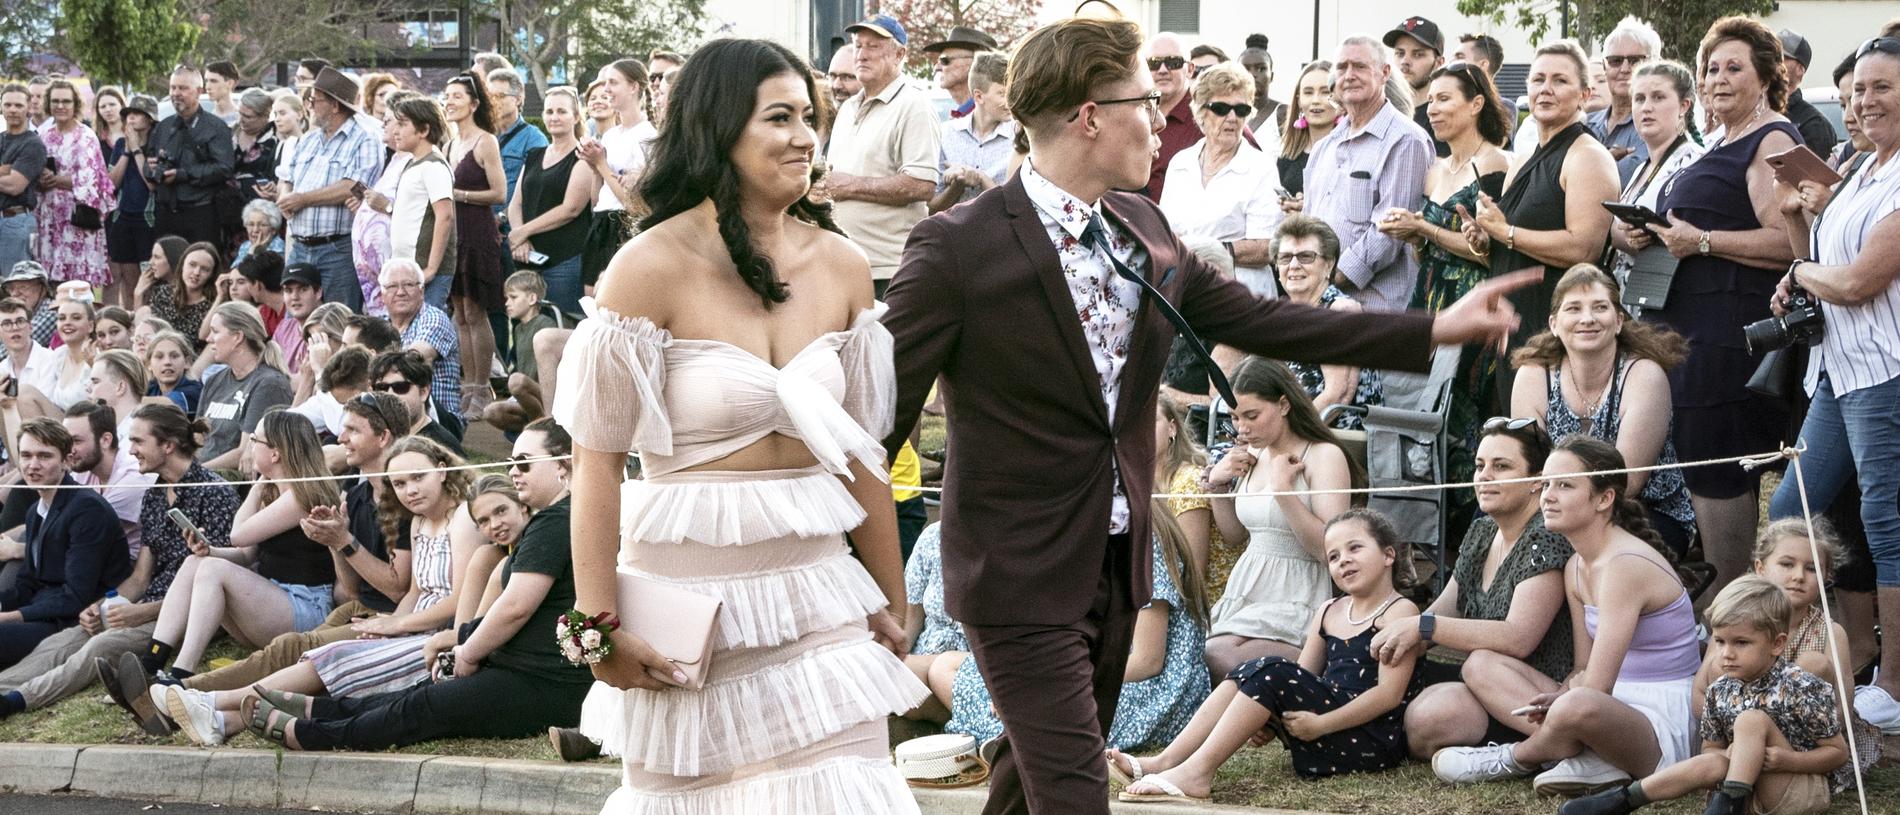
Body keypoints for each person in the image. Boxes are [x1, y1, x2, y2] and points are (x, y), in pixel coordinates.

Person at [880, 15, 1529, 812]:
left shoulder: (1145, 229)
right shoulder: (956, 248)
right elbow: (881, 416)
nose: (1163, 119)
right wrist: (856, 572)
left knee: (1030, 781)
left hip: (1117, 567)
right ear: (1091, 113)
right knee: (1077, 793)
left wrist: (1431, 328)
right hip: (1015, 572)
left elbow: (1272, 324)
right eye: (1147, 102)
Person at [553, 38, 926, 812]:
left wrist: (891, 600)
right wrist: (596, 630)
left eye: (810, 118)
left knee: (850, 791)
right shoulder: (647, 266)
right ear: (719, 127)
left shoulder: (844, 263)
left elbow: (864, 457)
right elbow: (596, 466)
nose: (804, 136)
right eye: (779, 117)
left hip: (822, 595)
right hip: (689, 607)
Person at [230, 421, 587, 752]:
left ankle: (310, 734)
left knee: (425, 704)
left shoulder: (556, 521)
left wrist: (467, 650)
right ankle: (319, 708)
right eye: (511, 462)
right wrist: (460, 640)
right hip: (518, 668)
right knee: (419, 692)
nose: (513, 471)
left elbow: (515, 608)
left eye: (524, 463)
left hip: (544, 684)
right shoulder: (551, 519)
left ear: (563, 464)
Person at [156, 438, 485, 746]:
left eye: (418, 477)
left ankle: (210, 700)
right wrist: (389, 626)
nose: (409, 490)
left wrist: (397, 626)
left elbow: (459, 600)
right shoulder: (418, 522)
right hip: (413, 624)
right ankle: (221, 722)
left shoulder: (464, 519)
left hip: (441, 635)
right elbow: (415, 591)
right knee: (325, 655)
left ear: (442, 471)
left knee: (332, 657)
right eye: (399, 484)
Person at [1432, 437, 1699, 796]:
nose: (1547, 496)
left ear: (1604, 499)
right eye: (1546, 485)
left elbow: (1598, 686)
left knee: (1578, 703)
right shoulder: (1575, 566)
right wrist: (1559, 692)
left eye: (1565, 485)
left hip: (1658, 720)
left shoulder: (1624, 567)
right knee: (1480, 664)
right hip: (1603, 703)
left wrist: (1564, 700)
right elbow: (1582, 668)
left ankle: (1518, 757)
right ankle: (1589, 760)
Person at [1766, 34, 1900, 733]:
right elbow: (1821, 270)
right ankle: (1845, 651)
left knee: (1887, 523)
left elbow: (1854, 282)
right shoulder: (1864, 167)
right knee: (1797, 509)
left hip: (1888, 374)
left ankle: (1896, 688)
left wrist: (1802, 275)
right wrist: (1797, 230)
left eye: (1880, 87)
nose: (1863, 100)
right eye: (1856, 90)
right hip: (1837, 375)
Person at [1113, 510, 1420, 801]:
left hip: (1368, 741)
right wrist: (1271, 721)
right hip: (1322, 728)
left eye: (1355, 548)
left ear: (1388, 555)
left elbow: (1389, 695)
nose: (1344, 561)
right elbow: (1303, 677)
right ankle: (1165, 760)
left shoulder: (1400, 612)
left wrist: (1321, 725)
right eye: (1334, 556)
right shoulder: (1328, 610)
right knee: (1255, 668)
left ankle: (1197, 772)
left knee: (1272, 668)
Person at [1647, 17, 1801, 589]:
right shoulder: (1719, 140)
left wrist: (1703, 241)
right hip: (1686, 329)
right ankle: (1722, 596)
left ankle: (1733, 598)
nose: (1717, 78)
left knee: (1718, 465)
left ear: (1767, 77)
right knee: (1698, 460)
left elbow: (1788, 241)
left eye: (1734, 67)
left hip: (1730, 336)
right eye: (1711, 67)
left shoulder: (1773, 139)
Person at [168, 392, 414, 697]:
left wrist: (344, 542)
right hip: (356, 606)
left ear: (383, 437)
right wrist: (336, 543)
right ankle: (169, 675)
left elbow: (397, 588)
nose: (341, 437)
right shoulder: (356, 496)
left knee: (291, 649)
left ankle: (183, 687)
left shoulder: (405, 501)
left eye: (353, 430)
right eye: (344, 428)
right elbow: (348, 589)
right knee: (286, 648)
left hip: (371, 612)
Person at [914, 508, 1211, 752]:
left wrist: (1049, 684)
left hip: (1146, 694)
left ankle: (1012, 738)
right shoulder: (1088, 530)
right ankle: (1013, 734)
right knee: (948, 666)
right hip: (1098, 675)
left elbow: (1147, 661)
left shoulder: (1142, 540)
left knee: (956, 673)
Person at [1373, 418, 1574, 757]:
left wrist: (1423, 627)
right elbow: (1447, 605)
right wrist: (1394, 638)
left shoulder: (1546, 535)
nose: (1484, 476)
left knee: (1428, 718)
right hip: (1479, 680)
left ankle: (1546, 745)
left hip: (1532, 688)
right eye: (1480, 466)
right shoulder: (1482, 531)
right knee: (1400, 685)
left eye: (1501, 466)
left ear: (1536, 482)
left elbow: (1519, 637)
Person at [1561, 576, 1846, 815]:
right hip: (1748, 789)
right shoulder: (1719, 690)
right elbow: (1710, 748)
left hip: (1794, 788)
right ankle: (1624, 800)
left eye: (1741, 643)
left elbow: (1837, 753)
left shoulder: (1800, 685)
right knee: (1715, 760)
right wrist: (1733, 755)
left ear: (1777, 644)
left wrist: (1785, 760)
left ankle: (1730, 801)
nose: (1726, 654)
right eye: (1720, 641)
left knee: (1751, 721)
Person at [1376, 61, 1511, 486]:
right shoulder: (1434, 169)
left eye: (1444, 99)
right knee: (1421, 410)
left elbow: (1488, 251)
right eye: (1430, 100)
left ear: (1476, 104)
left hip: (1472, 299)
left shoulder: (1497, 164)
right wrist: (1414, 237)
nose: (1432, 108)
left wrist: (1424, 228)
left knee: (1463, 412)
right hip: (1429, 294)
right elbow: (1426, 252)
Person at [134, 408, 337, 686]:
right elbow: (245, 554)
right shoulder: (274, 490)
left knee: (213, 570)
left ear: (275, 453)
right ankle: (152, 661)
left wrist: (258, 483)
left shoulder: (301, 496)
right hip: (275, 601)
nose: (250, 446)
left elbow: (238, 535)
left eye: (255, 440)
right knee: (196, 562)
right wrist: (209, 551)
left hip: (306, 608)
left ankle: (181, 674)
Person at [1466, 41, 1621, 402]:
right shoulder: (1521, 160)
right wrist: (1484, 238)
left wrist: (1505, 232)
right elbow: (1511, 244)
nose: (1545, 89)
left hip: (1556, 326)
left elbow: (1584, 247)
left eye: (1559, 80)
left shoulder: (1588, 157)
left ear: (1584, 94)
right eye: (1537, 80)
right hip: (1513, 324)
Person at [1511, 265, 1697, 556]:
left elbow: (1627, 482)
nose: (1587, 319)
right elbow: (1527, 470)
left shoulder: (1643, 375)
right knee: (1493, 527)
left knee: (1559, 547)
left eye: (1600, 307)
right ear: (1554, 324)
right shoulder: (1534, 376)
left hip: (1641, 514)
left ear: (1619, 320)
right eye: (1573, 308)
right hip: (1550, 507)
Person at [1203, 357, 1359, 677]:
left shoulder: (1323, 455)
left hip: (1299, 596)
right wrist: (1217, 487)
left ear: (1284, 405)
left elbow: (1328, 550)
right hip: (1248, 588)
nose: (1242, 428)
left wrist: (1283, 490)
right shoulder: (1253, 454)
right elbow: (1235, 536)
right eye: (1234, 418)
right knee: (1199, 655)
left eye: (1252, 415)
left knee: (1216, 655)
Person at [1303, 36, 1433, 312]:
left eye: (1360, 66)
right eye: (1341, 68)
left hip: (1371, 309)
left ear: (1385, 72)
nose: (1349, 75)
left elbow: (1389, 235)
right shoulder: (1324, 146)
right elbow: (1307, 223)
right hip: (1318, 302)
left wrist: (1327, 280)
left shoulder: (1405, 140)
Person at [0, 419, 131, 669]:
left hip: (71, 623)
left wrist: (8, 618)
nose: (33, 465)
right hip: (41, 611)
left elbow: (76, 597)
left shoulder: (86, 508)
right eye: (26, 455)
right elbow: (27, 584)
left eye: (44, 456)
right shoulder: (35, 511)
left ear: (66, 461)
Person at [829, 15, 940, 294]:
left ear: (900, 54)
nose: (862, 55)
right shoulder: (847, 108)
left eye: (874, 46)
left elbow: (922, 185)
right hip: (843, 262)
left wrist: (850, 185)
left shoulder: (914, 106)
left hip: (890, 269)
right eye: (858, 46)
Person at [1158, 63, 1281, 297]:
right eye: (1221, 108)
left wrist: (1206, 251)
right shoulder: (1180, 163)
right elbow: (1166, 232)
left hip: (1242, 294)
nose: (1232, 117)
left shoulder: (1260, 167)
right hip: (1187, 288)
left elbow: (1266, 247)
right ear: (1201, 112)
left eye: (1242, 109)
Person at [277, 68, 382, 311]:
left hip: (337, 249)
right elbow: (288, 178)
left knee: (339, 319)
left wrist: (302, 199)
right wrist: (285, 196)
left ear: (334, 105)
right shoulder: (308, 140)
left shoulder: (364, 139)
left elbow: (352, 187)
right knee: (295, 323)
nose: (309, 106)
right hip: (300, 246)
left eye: (315, 100)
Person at [1271, 216, 1383, 427]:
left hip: (1335, 437)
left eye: (1306, 256)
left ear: (1329, 265)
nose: (1293, 265)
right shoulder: (1284, 316)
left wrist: (1282, 434)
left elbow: (1338, 397)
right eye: (1285, 258)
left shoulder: (1340, 311)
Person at [1606, 61, 1705, 298]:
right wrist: (1630, 235)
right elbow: (1613, 230)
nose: (1646, 107)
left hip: (1673, 294)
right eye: (1639, 99)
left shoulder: (1694, 162)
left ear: (1684, 106)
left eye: (1658, 98)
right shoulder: (1642, 167)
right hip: (1630, 296)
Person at [441, 70, 506, 419]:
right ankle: (467, 388)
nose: (449, 102)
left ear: (474, 103)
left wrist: (459, 195)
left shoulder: (486, 142)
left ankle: (482, 388)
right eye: (447, 96)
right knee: (460, 313)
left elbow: (499, 192)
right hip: (454, 235)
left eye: (457, 96)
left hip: (478, 232)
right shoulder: (449, 144)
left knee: (477, 311)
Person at [505, 85, 594, 317]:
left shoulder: (582, 158)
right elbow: (515, 203)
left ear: (576, 117)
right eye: (550, 111)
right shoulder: (535, 155)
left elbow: (571, 208)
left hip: (564, 261)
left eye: (562, 111)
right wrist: (520, 240)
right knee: (526, 328)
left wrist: (523, 231)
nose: (554, 117)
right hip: (527, 257)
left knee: (561, 324)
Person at [576, 59, 656, 296]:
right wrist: (594, 165)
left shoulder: (648, 136)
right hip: (600, 222)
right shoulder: (610, 135)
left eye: (613, 83)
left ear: (634, 87)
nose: (606, 89)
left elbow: (634, 203)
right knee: (590, 296)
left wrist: (601, 164)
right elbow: (599, 197)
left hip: (622, 225)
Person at [33, 80, 113, 290]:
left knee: (77, 287)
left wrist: (55, 180)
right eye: (56, 101)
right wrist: (39, 179)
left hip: (77, 219)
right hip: (49, 219)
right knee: (51, 284)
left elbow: (92, 181)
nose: (60, 106)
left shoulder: (86, 136)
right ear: (48, 104)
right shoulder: (43, 136)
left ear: (76, 104)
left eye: (66, 101)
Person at [196, 302, 293, 468]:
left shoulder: (269, 384)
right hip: (203, 475)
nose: (208, 338)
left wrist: (193, 476)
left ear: (238, 337)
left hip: (232, 481)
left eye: (215, 331)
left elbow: (244, 455)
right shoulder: (214, 380)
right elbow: (197, 439)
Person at [146, 66, 233, 247]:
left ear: (199, 91)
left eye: (183, 88)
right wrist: (151, 168)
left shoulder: (216, 127)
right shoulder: (163, 127)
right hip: (165, 215)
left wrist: (183, 174)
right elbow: (149, 163)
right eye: (173, 88)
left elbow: (224, 168)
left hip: (200, 214)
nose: (176, 93)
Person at [346, 90, 412, 319]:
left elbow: (417, 214)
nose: (383, 121)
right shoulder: (395, 158)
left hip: (397, 272)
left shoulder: (417, 162)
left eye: (390, 118)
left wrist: (385, 207)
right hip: (375, 280)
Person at [377, 259, 460, 432]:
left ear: (421, 291)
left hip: (438, 421)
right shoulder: (380, 325)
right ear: (382, 295)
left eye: (408, 285)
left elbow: (413, 358)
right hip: (395, 412)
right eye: (392, 286)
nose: (400, 292)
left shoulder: (434, 319)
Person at [929, 53, 1016, 213]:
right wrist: (958, 184)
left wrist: (981, 178)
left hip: (999, 236)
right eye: (1003, 94)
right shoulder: (945, 134)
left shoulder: (1020, 138)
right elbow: (932, 208)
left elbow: (1015, 207)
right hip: (954, 236)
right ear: (979, 96)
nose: (1011, 101)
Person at [483, 270, 560, 432]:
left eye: (513, 297)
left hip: (548, 396)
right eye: (506, 298)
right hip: (526, 399)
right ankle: (535, 428)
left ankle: (548, 425)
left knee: (516, 381)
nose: (507, 303)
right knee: (490, 412)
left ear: (532, 298)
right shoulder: (518, 329)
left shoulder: (545, 325)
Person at [1589, 18, 1663, 185]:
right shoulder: (1585, 125)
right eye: (1615, 60)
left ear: (1656, 64)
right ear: (1604, 66)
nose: (1624, 69)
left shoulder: (1660, 127)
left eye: (1635, 61)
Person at [104, 94, 160, 312]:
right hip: (122, 216)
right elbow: (112, 183)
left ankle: (146, 317)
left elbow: (152, 184)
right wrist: (127, 150)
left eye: (137, 114)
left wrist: (137, 149)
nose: (131, 119)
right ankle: (129, 318)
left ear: (149, 118)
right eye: (128, 115)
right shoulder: (119, 144)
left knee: (148, 278)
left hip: (149, 218)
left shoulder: (157, 144)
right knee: (128, 279)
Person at [1140, 32, 1199, 202]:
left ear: (1190, 69)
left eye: (1174, 62)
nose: (1163, 70)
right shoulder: (1132, 112)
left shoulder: (1211, 116)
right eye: (1154, 63)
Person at [368, 349, 461, 455]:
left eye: (400, 387)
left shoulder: (442, 447)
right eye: (381, 388)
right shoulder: (374, 437)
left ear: (423, 393)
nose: (390, 395)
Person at [485, 68, 549, 217]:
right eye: (489, 96)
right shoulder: (482, 136)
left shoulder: (534, 139)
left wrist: (502, 218)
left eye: (500, 96)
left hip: (512, 229)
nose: (494, 102)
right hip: (479, 226)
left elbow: (535, 191)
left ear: (518, 99)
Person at [1385, 16, 1449, 157]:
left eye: (1418, 54)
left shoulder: (1443, 115)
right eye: (1399, 53)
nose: (1405, 61)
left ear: (1439, 63)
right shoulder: (1380, 110)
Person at [0, 84, 47, 277]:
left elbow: (14, 186)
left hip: (15, 222)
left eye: (18, 105)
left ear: (28, 108)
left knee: (14, 287)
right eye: (8, 104)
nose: (12, 110)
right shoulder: (1, 139)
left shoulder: (33, 144)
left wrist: (9, 174)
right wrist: (5, 171)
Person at [1276, 60, 1338, 199]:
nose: (1315, 100)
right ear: (1298, 100)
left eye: (1325, 92)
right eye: (1308, 92)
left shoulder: (1349, 153)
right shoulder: (1287, 156)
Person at [143, 240, 217, 350]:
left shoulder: (213, 303)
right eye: (192, 265)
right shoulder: (163, 293)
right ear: (182, 264)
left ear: (211, 275)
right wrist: (138, 294)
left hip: (194, 358)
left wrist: (220, 297)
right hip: (160, 352)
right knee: (143, 311)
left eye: (205, 269)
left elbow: (202, 338)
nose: (196, 272)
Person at [1777, 30, 1840, 159]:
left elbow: (1815, 177)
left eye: (1781, 58)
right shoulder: (1755, 112)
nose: (1772, 62)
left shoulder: (1814, 125)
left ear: (1800, 69)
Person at [923, 25, 998, 118]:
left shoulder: (990, 117)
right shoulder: (965, 114)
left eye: (944, 60)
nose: (936, 67)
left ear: (974, 64)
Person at [40, 298, 96, 411]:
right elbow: (44, 395)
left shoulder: (97, 358)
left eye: (76, 318)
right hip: (59, 423)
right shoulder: (58, 355)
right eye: (62, 318)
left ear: (90, 326)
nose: (67, 323)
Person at [231, 89, 279, 210]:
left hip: (260, 210)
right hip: (227, 206)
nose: (241, 119)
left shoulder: (275, 140)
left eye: (247, 116)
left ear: (265, 116)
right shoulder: (229, 133)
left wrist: (268, 97)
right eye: (239, 113)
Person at [1237, 35, 1286, 137]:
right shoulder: (1227, 113)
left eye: (1261, 69)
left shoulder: (1284, 114)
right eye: (1246, 69)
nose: (1253, 74)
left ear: (1271, 76)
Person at [143, 330, 200, 414]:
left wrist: (129, 401)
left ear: (187, 362)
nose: (167, 362)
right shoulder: (151, 388)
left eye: (174, 356)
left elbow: (171, 404)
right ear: (149, 364)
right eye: (159, 357)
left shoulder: (194, 389)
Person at [233, 199, 284, 268]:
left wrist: (252, 252)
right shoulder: (246, 245)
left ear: (273, 229)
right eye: (251, 224)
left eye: (262, 225)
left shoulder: (279, 251)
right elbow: (234, 272)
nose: (255, 230)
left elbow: (248, 274)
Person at [93, 86, 126, 160]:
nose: (108, 109)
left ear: (122, 105)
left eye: (112, 104)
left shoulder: (134, 132)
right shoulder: (95, 138)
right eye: (103, 107)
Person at [204, 61, 241, 127]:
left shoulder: (241, 121)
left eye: (213, 81)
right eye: (206, 81)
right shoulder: (204, 120)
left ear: (230, 83)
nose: (207, 87)